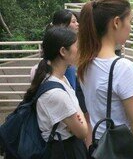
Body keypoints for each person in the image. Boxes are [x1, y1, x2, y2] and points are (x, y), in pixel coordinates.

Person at [77, 0, 133, 159]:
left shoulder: (83, 62)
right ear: (116, 22)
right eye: (129, 20)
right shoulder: (122, 67)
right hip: (119, 149)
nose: (130, 26)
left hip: (98, 147)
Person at [24, 26, 88, 158]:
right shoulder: (56, 93)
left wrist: (73, 117)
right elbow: (82, 132)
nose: (79, 49)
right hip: (65, 151)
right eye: (76, 45)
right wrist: (78, 112)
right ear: (63, 51)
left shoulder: (59, 78)